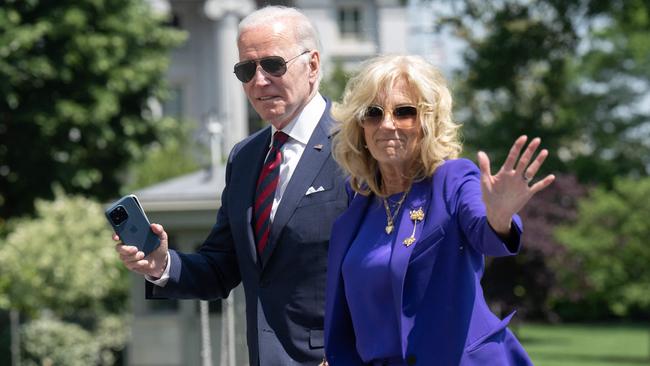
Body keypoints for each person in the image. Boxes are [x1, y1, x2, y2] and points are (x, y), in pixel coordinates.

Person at [114, 6, 348, 366]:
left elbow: (383, 262)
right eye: (245, 69)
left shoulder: (355, 144)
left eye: (273, 64)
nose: (258, 81)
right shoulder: (246, 156)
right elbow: (222, 266)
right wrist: (161, 264)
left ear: (313, 65)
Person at [323, 54, 555, 366]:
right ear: (360, 126)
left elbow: (484, 230)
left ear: (428, 122)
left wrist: (498, 217)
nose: (387, 124)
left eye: (404, 112)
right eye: (373, 113)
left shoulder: (453, 179)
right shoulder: (358, 200)